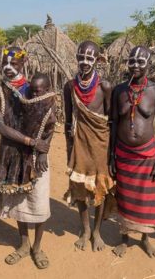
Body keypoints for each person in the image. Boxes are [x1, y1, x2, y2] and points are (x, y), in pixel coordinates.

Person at [0, 48, 56, 269]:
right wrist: (30, 142)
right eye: (4, 63)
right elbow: (0, 127)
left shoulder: (36, 89)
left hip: (36, 157)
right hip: (12, 153)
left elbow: (49, 123)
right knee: (18, 201)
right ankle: (23, 244)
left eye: (14, 64)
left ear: (24, 63)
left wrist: (43, 152)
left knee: (38, 200)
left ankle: (37, 247)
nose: (8, 68)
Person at [109, 46, 155, 258]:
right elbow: (114, 124)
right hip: (123, 153)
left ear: (148, 64)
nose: (135, 66)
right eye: (131, 61)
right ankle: (124, 238)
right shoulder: (119, 90)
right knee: (124, 196)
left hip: (147, 154)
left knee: (145, 198)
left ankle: (145, 238)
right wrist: (111, 156)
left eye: (140, 62)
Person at [63, 41, 113, 252]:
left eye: (89, 58)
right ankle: (85, 230)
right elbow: (67, 121)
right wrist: (69, 148)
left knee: (100, 187)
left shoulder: (105, 87)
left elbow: (110, 120)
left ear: (97, 60)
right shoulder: (69, 86)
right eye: (81, 57)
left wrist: (111, 154)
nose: (85, 62)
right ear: (76, 57)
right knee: (80, 188)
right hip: (79, 143)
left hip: (101, 144)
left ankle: (97, 232)